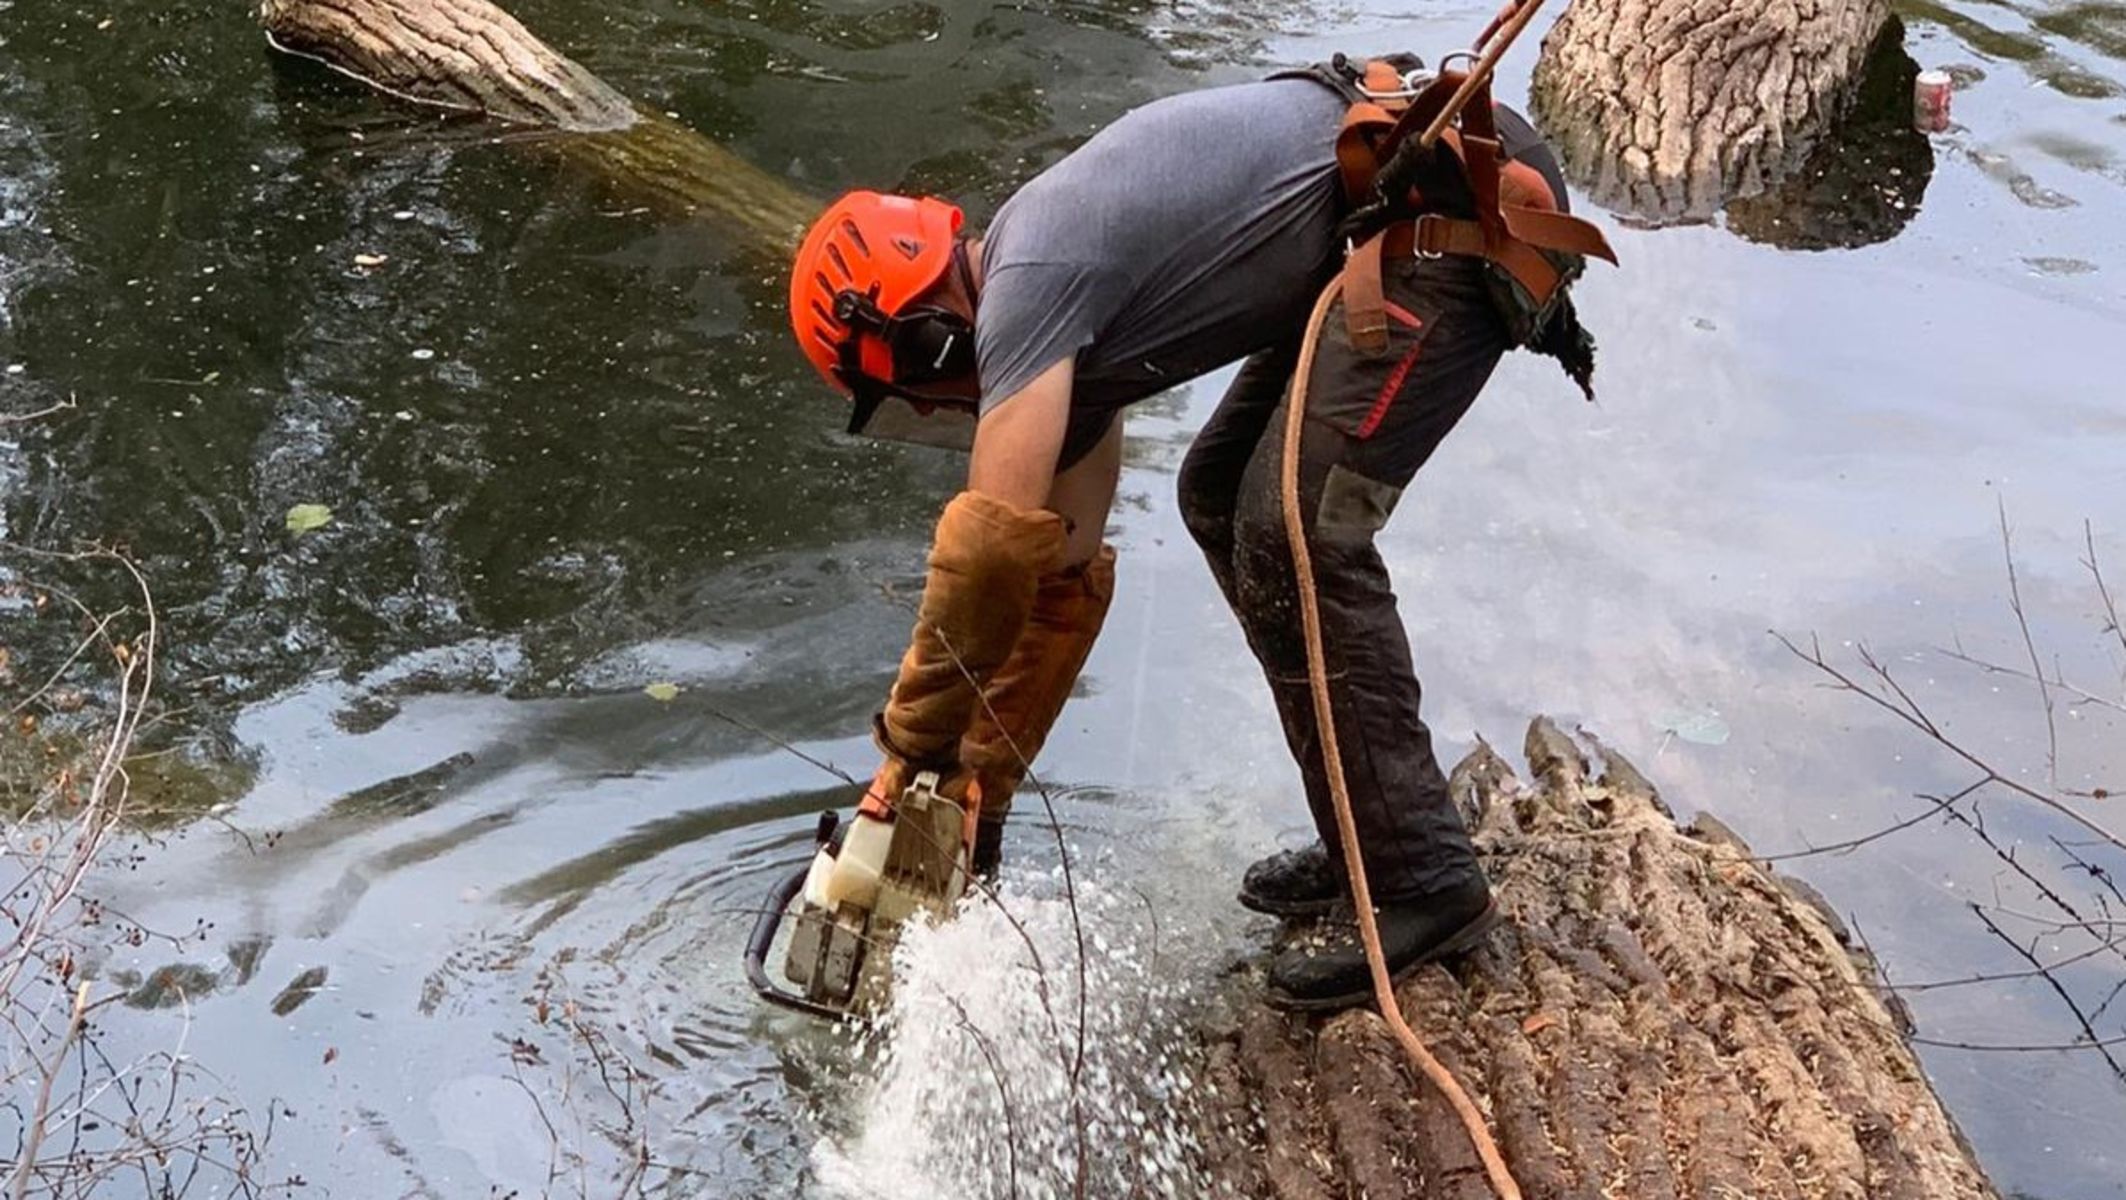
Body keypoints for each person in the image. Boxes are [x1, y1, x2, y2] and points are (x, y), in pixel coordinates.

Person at [786, 51, 1611, 1011]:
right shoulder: (1053, 330)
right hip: (1387, 219)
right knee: (1218, 498)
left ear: (923, 336)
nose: (934, 418)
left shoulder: (1027, 289)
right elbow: (1056, 573)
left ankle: (1423, 879)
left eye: (908, 401)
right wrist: (976, 790)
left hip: (1453, 208)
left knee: (1300, 528)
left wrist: (906, 755)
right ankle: (1368, 834)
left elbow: (988, 551)